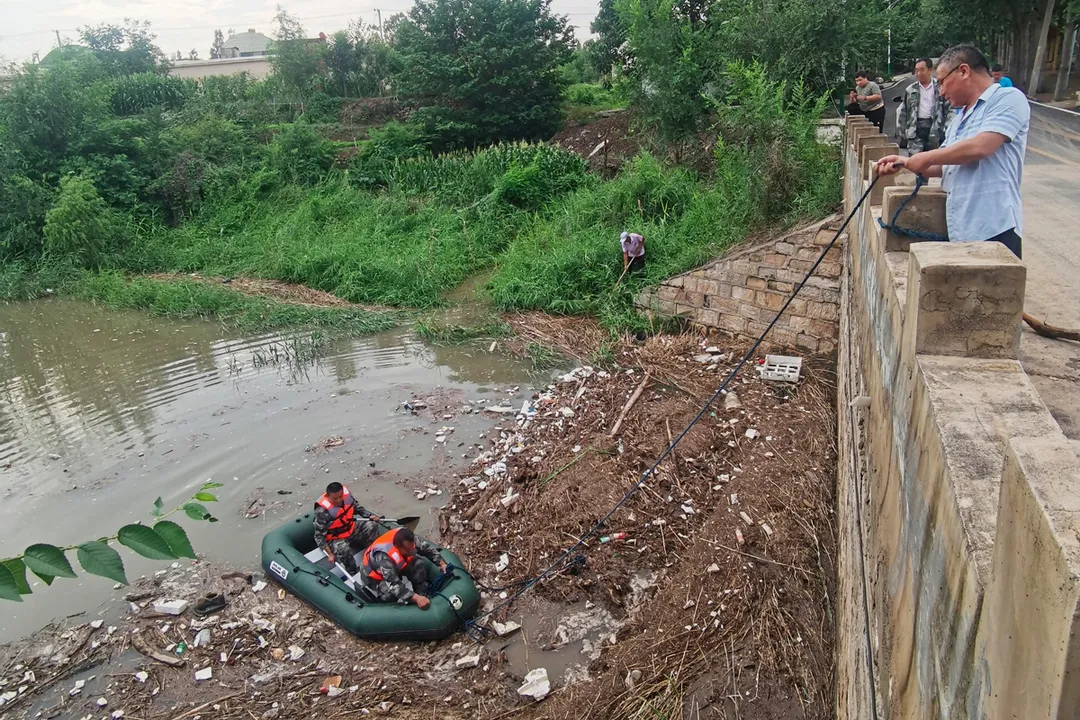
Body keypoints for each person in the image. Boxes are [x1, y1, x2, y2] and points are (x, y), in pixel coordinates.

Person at [876, 45, 1029, 259]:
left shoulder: (1007, 99)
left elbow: (981, 146)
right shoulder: (960, 118)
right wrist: (905, 163)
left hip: (995, 229)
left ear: (964, 71)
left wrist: (926, 157)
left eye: (942, 82)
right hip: (962, 230)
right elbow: (945, 165)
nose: (941, 92)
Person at [360, 527, 447, 609]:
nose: (411, 551)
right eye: (407, 550)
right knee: (389, 595)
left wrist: (442, 564)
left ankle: (422, 591)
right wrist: (416, 598)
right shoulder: (384, 557)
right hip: (375, 576)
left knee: (417, 563)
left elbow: (427, 549)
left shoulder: (408, 539)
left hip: (396, 566)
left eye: (412, 547)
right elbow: (394, 585)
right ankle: (392, 610)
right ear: (397, 547)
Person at [313, 482, 381, 574]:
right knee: (343, 548)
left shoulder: (347, 498)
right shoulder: (322, 512)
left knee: (372, 525)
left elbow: (357, 508)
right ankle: (353, 570)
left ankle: (373, 554)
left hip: (350, 528)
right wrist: (330, 554)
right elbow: (319, 536)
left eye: (340, 496)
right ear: (328, 497)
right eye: (334, 498)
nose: (338, 500)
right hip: (336, 537)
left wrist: (370, 516)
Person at [898, 57, 953, 153]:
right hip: (915, 129)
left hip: (935, 128)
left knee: (934, 161)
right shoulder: (910, 90)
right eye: (916, 70)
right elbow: (903, 111)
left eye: (922, 70)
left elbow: (950, 108)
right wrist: (903, 133)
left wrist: (947, 128)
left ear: (930, 70)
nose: (918, 73)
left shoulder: (940, 87)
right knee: (915, 161)